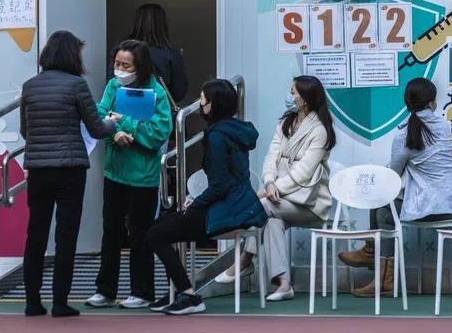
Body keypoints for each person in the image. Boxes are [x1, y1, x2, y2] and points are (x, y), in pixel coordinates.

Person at [145, 79, 267, 315]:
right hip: (241, 205)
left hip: (228, 209)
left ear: (213, 105)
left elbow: (221, 185)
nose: (199, 104)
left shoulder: (216, 137)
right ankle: (177, 291)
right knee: (162, 226)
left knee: (155, 234)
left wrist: (196, 202)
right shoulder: (236, 130)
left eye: (202, 100)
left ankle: (188, 295)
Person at [19, 31, 117, 317]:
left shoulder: (30, 86)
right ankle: (60, 302)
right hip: (70, 168)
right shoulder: (77, 85)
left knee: (35, 234)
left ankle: (32, 302)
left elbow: (26, 131)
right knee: (66, 235)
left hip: (37, 168)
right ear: (73, 55)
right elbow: (97, 129)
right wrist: (112, 123)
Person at [339, 77, 452, 297]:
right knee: (384, 207)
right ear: (433, 102)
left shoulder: (404, 134)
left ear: (406, 103)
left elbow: (392, 176)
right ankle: (374, 258)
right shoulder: (445, 126)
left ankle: (378, 266)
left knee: (382, 206)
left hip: (429, 209)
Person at [224, 75, 336, 301]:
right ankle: (284, 284)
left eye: (293, 92)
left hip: (309, 203)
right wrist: (268, 182)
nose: (289, 96)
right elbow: (271, 158)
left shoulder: (320, 130)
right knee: (271, 221)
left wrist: (271, 190)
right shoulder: (286, 122)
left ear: (305, 99)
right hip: (280, 200)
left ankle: (246, 257)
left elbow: (303, 172)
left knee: (263, 205)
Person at [85, 40, 174, 310]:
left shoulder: (156, 92)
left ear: (140, 66)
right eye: (117, 64)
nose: (120, 70)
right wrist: (114, 132)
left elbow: (160, 132)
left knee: (141, 234)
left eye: (126, 65)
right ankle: (105, 290)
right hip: (115, 171)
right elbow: (100, 115)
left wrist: (125, 123)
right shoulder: (113, 86)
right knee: (110, 232)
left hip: (143, 176)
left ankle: (142, 291)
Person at [128, 3, 189, 105]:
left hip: (124, 110)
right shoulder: (171, 53)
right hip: (158, 111)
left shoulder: (122, 50)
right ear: (163, 24)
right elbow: (179, 93)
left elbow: (112, 83)